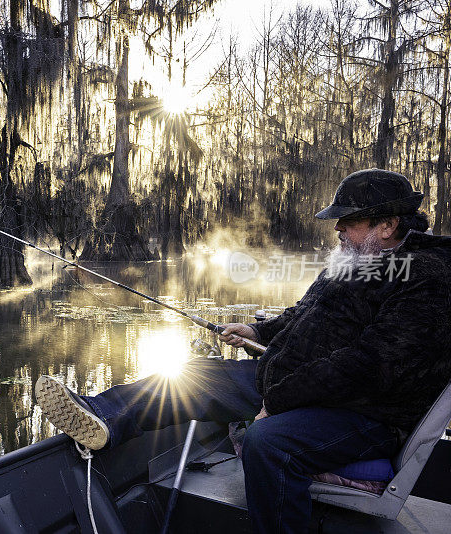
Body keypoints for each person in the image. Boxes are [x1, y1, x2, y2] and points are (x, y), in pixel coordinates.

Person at [35, 168, 451, 534]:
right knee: (194, 375)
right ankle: (107, 418)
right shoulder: (359, 259)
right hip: (298, 384)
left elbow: (370, 365)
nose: (338, 229)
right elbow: (306, 317)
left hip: (365, 414)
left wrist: (278, 399)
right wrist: (255, 329)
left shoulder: (426, 276)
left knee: (268, 441)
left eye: (349, 221)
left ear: (387, 224)